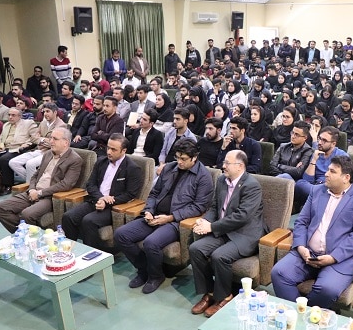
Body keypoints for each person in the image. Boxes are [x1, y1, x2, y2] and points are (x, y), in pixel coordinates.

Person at [271, 155, 353, 307]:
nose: (326, 174)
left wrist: (333, 257)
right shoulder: (317, 191)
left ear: (346, 178)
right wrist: (301, 247)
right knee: (279, 273)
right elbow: (301, 222)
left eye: (332, 171)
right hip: (308, 254)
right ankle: (299, 313)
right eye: (327, 170)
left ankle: (309, 315)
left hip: (338, 259)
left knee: (327, 290)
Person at [114, 138, 214, 294]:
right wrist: (149, 210)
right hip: (154, 215)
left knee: (151, 243)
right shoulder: (169, 168)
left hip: (175, 222)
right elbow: (154, 193)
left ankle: (156, 276)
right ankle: (144, 270)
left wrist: (171, 217)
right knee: (121, 235)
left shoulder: (203, 177)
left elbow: (199, 207)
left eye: (183, 159)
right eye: (177, 157)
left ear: (194, 157)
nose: (179, 162)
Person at [189, 150, 266, 317]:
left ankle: (225, 296)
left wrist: (211, 227)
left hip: (245, 234)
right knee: (196, 249)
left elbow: (242, 217)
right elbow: (214, 207)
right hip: (223, 230)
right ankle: (209, 293)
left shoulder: (251, 185)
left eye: (227, 163)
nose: (223, 166)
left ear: (240, 166)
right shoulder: (221, 180)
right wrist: (205, 221)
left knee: (219, 256)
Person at [62, 134, 142, 249]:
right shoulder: (101, 161)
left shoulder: (132, 168)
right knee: (68, 217)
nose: (109, 152)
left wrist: (108, 201)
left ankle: (92, 255)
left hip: (113, 207)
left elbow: (130, 194)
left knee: (88, 221)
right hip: (96, 200)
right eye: (108, 148)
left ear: (124, 150)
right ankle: (70, 250)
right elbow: (90, 184)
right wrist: (101, 198)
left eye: (113, 149)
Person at [0, 127, 82, 232]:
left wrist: (40, 193)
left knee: (27, 214)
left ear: (65, 142)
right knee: (1, 207)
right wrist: (32, 189)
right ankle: (22, 233)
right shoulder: (48, 154)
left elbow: (66, 184)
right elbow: (35, 175)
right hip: (33, 192)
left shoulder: (74, 159)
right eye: (51, 138)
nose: (51, 141)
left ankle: (26, 234)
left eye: (55, 139)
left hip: (50, 196)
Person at [9, 102, 67, 183]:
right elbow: (33, 138)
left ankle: (31, 186)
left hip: (51, 153)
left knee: (30, 164)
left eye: (48, 111)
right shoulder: (43, 123)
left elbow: (54, 143)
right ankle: (34, 182)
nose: (45, 114)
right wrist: (43, 140)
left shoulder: (61, 125)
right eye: (44, 111)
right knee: (13, 162)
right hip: (39, 150)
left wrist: (40, 139)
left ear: (55, 112)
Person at [294, 126, 348, 206]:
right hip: (314, 187)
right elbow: (307, 180)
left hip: (329, 188)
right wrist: (314, 160)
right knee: (300, 183)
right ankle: (316, 198)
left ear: (333, 144)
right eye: (319, 138)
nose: (319, 142)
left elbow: (341, 182)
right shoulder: (316, 153)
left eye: (324, 140)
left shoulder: (342, 156)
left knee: (301, 186)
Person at [0, 108, 39, 195]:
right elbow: (1, 138)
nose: (10, 117)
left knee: (4, 159)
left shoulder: (28, 124)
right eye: (9, 115)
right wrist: (0, 144)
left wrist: (27, 144)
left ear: (20, 116)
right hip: (5, 148)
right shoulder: (6, 125)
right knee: (2, 156)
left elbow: (35, 138)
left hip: (18, 149)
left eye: (13, 115)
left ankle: (8, 185)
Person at [157, 107, 197, 176]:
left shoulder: (190, 138)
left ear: (186, 121)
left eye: (178, 119)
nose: (174, 121)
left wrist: (166, 167)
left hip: (178, 168)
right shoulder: (170, 132)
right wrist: (161, 164)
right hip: (163, 165)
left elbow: (186, 160)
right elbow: (163, 151)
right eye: (174, 118)